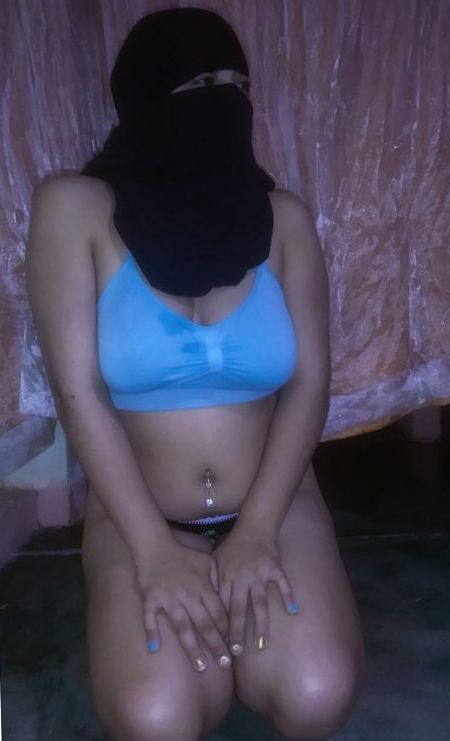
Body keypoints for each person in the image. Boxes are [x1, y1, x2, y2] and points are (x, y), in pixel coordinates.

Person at [25, 7, 366, 741]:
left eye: (238, 85)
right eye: (203, 83)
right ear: (147, 95)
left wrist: (259, 531)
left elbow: (309, 386)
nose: (227, 100)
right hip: (139, 517)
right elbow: (78, 394)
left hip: (275, 505)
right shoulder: (74, 209)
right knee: (159, 718)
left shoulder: (284, 219)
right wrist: (153, 553)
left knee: (317, 693)